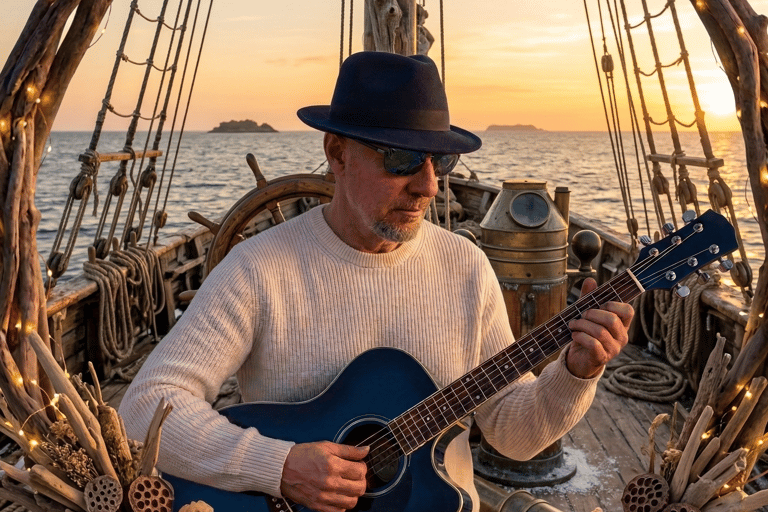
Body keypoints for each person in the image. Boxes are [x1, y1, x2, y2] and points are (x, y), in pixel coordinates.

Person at [120, 51, 633, 512]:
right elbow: (146, 407)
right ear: (337, 153)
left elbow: (512, 436)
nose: (429, 184)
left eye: (441, 160)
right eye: (401, 158)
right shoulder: (260, 268)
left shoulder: (466, 267)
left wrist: (575, 372)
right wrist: (279, 466)